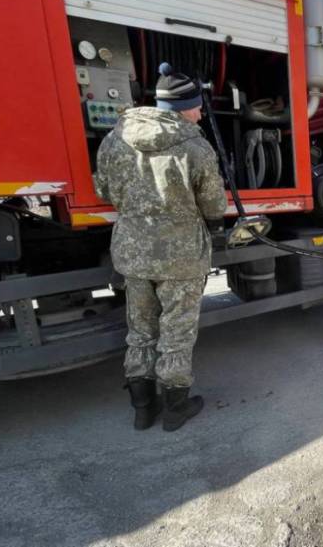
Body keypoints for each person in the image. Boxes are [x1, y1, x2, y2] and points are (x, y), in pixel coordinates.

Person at [94, 63, 227, 431]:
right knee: (177, 334)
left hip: (132, 253)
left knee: (140, 331)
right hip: (181, 257)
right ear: (183, 107)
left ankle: (142, 410)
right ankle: (174, 410)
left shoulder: (114, 138)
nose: (201, 113)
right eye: (197, 106)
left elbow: (103, 190)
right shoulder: (196, 147)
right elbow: (215, 206)